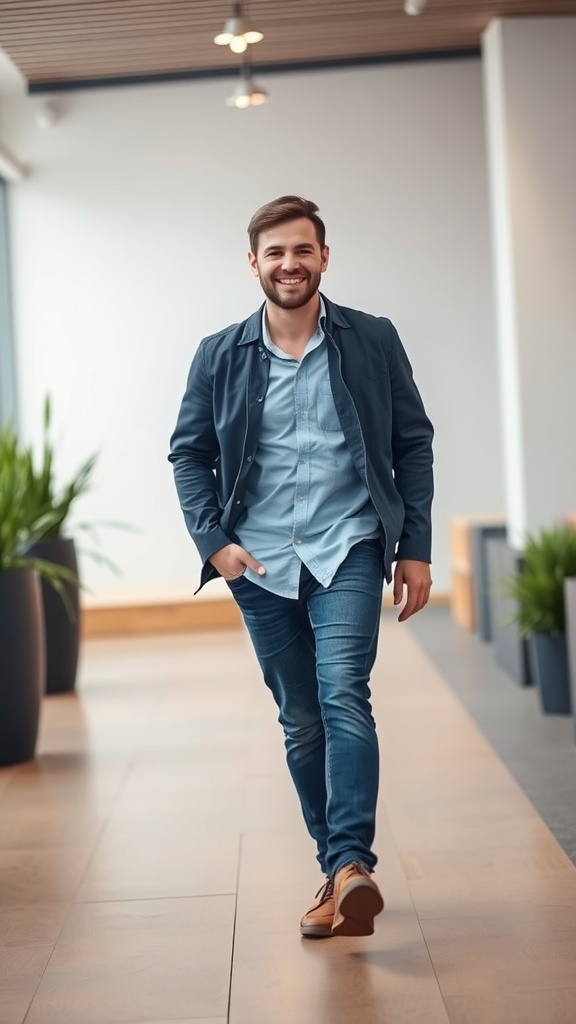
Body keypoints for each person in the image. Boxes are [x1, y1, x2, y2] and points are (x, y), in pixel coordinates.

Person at [169, 195, 434, 939]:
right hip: (256, 561)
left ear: (325, 256)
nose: (290, 264)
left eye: (303, 250)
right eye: (275, 252)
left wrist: (414, 546)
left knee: (344, 691)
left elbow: (412, 443)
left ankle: (353, 863)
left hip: (348, 544)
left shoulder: (372, 340)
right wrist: (214, 543)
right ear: (253, 263)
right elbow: (189, 454)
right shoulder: (220, 353)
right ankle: (335, 875)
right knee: (300, 721)